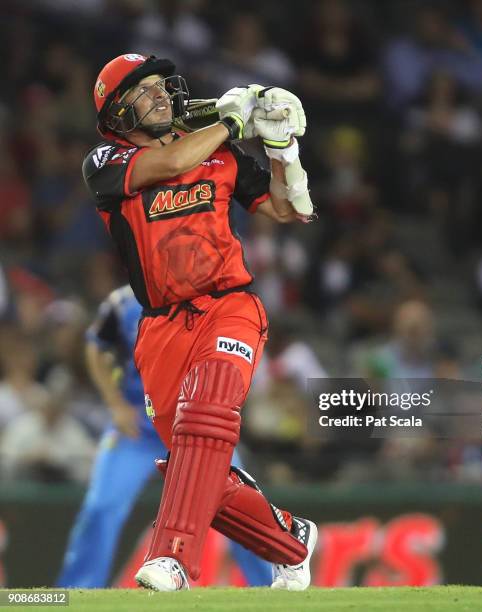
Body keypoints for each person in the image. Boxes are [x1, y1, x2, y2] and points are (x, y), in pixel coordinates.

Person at [82, 53, 317, 591]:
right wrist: (231, 122)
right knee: (193, 461)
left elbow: (288, 210)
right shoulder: (105, 161)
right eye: (144, 91)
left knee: (206, 417)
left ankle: (173, 558)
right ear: (117, 114)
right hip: (161, 327)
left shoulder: (221, 153)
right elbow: (166, 166)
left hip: (229, 305)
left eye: (162, 85)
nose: (161, 94)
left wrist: (283, 149)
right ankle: (292, 541)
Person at [56, 285, 273, 588]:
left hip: (197, 429)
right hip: (138, 430)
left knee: (242, 507)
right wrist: (115, 404)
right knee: (101, 506)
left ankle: (270, 587)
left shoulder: (213, 302)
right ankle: (75, 592)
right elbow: (96, 345)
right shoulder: (124, 301)